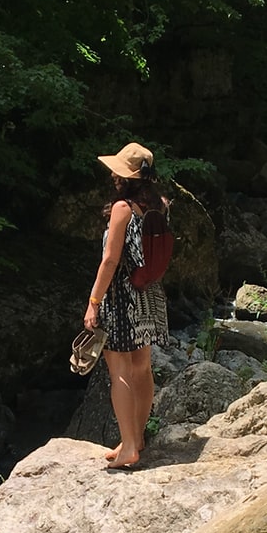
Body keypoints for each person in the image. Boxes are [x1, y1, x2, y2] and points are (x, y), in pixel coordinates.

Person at [83, 141, 170, 469]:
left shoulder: (122, 209)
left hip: (121, 296)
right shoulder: (160, 205)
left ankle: (129, 446)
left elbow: (110, 260)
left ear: (125, 176)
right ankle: (137, 437)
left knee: (118, 370)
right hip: (150, 294)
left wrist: (93, 302)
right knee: (141, 367)